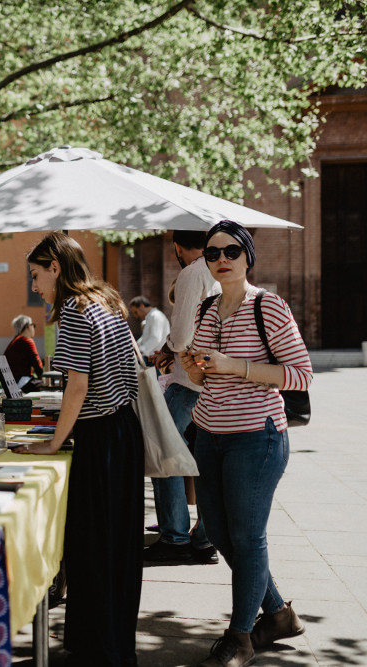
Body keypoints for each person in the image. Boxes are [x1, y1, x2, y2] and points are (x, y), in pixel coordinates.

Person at [180, 220, 312, 667]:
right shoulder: (205, 309)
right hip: (209, 434)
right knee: (218, 532)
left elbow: (300, 374)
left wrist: (234, 366)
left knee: (247, 537)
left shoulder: (268, 307)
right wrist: (196, 369)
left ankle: (239, 639)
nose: (220, 260)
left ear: (247, 256)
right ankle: (276, 614)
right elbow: (203, 374)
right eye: (212, 253)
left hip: (257, 438)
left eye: (231, 251)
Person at [12, 232, 143, 667]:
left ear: (55, 267)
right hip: (124, 432)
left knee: (93, 547)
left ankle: (96, 649)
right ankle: (111, 645)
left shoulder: (73, 310)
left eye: (36, 274)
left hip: (102, 438)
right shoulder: (105, 302)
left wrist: (53, 441)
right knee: (117, 547)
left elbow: (77, 386)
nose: (34, 285)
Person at [145, 231, 221, 565]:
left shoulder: (193, 272)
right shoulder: (218, 270)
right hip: (211, 382)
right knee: (204, 462)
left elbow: (181, 336)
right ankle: (205, 538)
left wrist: (168, 349)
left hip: (188, 384)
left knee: (163, 453)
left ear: (177, 247)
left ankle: (175, 537)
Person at [3, 314, 44, 391]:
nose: (34, 328)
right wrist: (42, 378)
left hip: (13, 383)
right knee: (48, 387)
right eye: (33, 325)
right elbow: (38, 366)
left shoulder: (15, 341)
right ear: (28, 326)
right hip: (22, 382)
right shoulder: (27, 341)